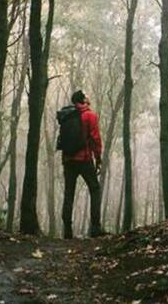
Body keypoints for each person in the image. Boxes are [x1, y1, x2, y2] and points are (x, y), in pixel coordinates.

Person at [62, 89, 106, 239]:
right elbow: (95, 138)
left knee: (69, 192)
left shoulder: (67, 116)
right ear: (82, 100)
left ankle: (67, 230)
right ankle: (95, 227)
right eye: (86, 95)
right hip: (84, 159)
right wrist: (98, 158)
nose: (88, 96)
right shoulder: (90, 115)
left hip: (68, 160)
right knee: (94, 189)